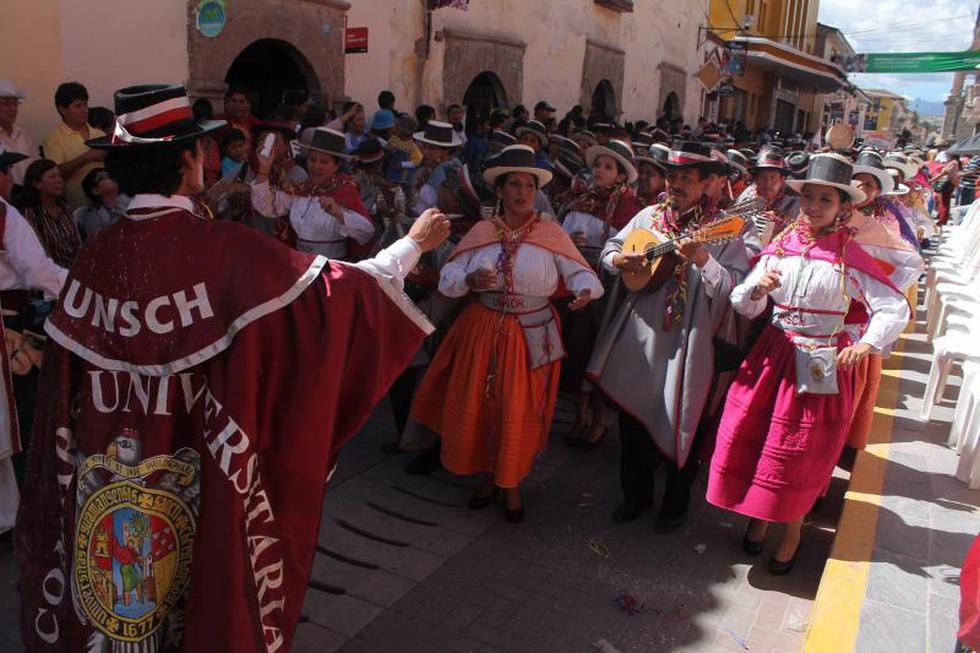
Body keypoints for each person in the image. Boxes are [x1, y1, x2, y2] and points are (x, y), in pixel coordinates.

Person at [16, 83, 451, 652]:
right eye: (203, 150)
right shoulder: (224, 250)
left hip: (108, 466)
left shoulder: (97, 255)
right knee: (200, 581)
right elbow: (334, 296)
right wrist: (412, 246)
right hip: (198, 462)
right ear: (188, 162)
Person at [707, 154, 909, 574]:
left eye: (825, 200)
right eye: (809, 198)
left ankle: (792, 531)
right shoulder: (782, 245)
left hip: (819, 365)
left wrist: (866, 343)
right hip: (773, 355)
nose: (814, 206)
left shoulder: (849, 255)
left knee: (797, 453)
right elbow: (742, 303)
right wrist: (757, 289)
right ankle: (759, 517)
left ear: (842, 208)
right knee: (759, 437)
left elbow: (893, 307)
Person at [408, 145, 602, 522]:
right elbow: (448, 280)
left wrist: (583, 290)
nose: (522, 192)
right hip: (481, 330)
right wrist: (468, 279)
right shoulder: (482, 230)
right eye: (514, 184)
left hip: (531, 336)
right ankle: (491, 476)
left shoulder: (550, 232)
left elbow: (583, 274)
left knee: (519, 410)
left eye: (529, 185)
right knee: (484, 406)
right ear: (500, 190)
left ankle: (509, 482)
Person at [587, 141, 750, 533]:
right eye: (672, 176)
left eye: (685, 178)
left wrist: (703, 260)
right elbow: (610, 251)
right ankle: (635, 497)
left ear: (709, 183)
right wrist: (619, 260)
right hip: (639, 337)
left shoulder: (724, 230)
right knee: (631, 421)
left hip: (688, 344)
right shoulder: (649, 216)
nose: (675, 184)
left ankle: (674, 505)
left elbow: (736, 287)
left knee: (682, 418)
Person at [0, 144, 66, 534]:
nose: (9, 178)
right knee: (21, 420)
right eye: (4, 171)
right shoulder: (4, 214)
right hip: (8, 336)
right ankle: (19, 517)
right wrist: (82, 286)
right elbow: (38, 273)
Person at [559, 139, 641, 450]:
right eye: (598, 165)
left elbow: (629, 251)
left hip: (609, 292)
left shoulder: (630, 210)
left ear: (621, 176)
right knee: (578, 349)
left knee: (600, 352)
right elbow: (560, 238)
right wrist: (571, 242)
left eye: (608, 167)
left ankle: (597, 420)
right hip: (578, 287)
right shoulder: (578, 202)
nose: (600, 171)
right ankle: (578, 417)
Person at [251, 127, 375, 260]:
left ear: (336, 165)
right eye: (312, 159)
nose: (316, 167)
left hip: (332, 269)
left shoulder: (344, 191)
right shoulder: (301, 190)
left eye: (324, 162)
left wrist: (339, 212)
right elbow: (267, 207)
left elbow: (367, 233)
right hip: (300, 266)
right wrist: (264, 168)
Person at [41, 82, 106, 208]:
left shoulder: (99, 134)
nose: (84, 110)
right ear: (63, 110)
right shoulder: (53, 139)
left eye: (85, 104)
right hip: (78, 207)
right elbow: (56, 172)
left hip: (108, 203)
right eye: (78, 106)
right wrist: (88, 157)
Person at [18, 158, 82, 268]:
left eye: (59, 176)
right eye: (52, 177)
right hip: (53, 276)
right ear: (37, 184)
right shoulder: (31, 215)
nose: (59, 180)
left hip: (76, 271)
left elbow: (78, 244)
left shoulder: (66, 210)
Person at [739, 146, 797, 254]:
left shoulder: (795, 204)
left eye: (773, 177)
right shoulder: (746, 198)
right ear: (756, 179)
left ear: (782, 179)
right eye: (763, 177)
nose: (768, 183)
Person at [73, 167, 128, 240]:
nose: (110, 177)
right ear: (96, 191)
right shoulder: (93, 217)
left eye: (110, 175)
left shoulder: (125, 205)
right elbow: (95, 244)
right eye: (102, 177)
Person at [0, 79, 36, 189]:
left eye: (15, 104)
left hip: (28, 197)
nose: (12, 109)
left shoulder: (23, 134)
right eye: (6, 104)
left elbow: (35, 166)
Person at [930, 150, 960, 225]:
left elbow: (944, 173)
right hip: (949, 183)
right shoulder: (954, 162)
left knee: (944, 202)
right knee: (944, 201)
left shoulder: (953, 163)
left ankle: (942, 220)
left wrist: (932, 180)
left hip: (947, 184)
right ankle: (942, 218)